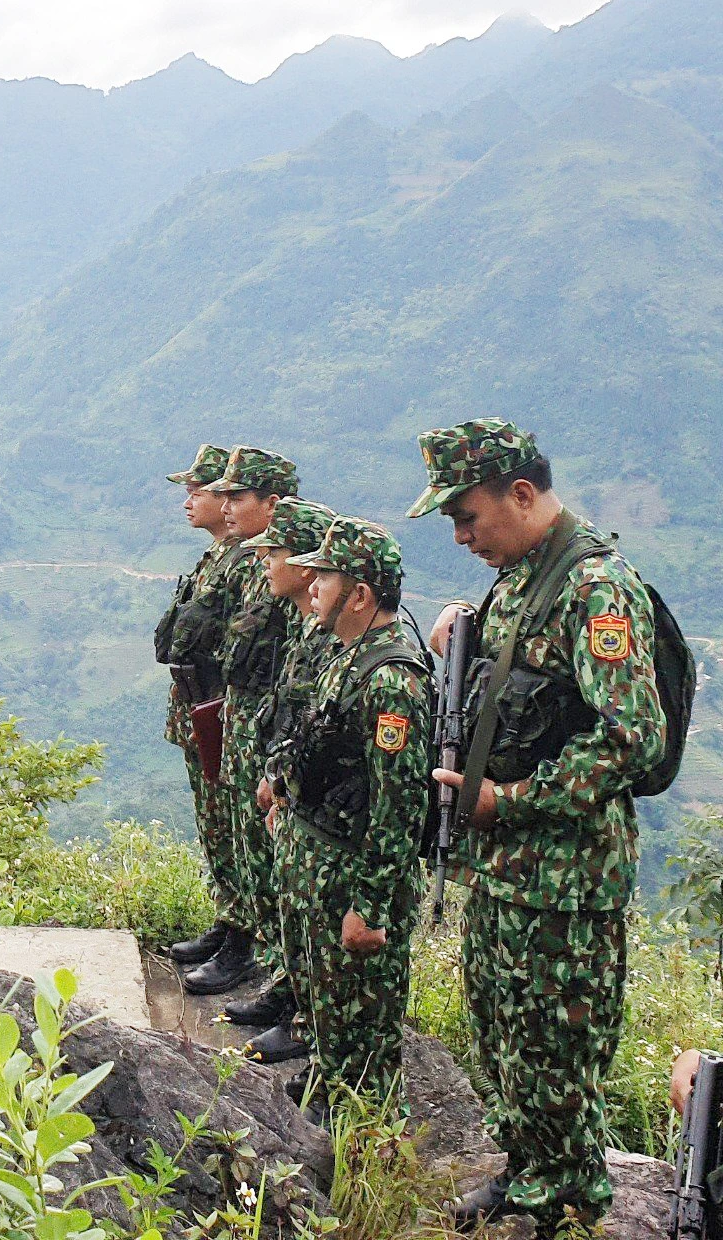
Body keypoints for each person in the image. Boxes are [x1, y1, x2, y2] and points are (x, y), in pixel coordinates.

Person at [410, 417, 665, 1234]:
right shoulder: (522, 577)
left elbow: (632, 736)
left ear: (521, 494)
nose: (461, 536)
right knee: (503, 1036)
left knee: (556, 1054)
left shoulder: (595, 588)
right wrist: (463, 623)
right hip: (507, 868)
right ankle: (528, 1174)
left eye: (468, 516)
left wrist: (510, 801)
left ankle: (567, 1201)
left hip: (565, 878)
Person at [276, 517, 429, 1113]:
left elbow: (399, 805)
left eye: (326, 576)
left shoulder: (390, 681)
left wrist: (370, 906)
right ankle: (328, 1085)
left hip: (350, 876)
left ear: (360, 594)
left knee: (363, 1029)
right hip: (319, 864)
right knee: (327, 1009)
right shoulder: (345, 657)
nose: (312, 585)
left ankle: (365, 1130)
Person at [185, 445, 299, 995]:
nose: (224, 505)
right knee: (236, 833)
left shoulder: (288, 569)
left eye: (237, 496)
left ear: (271, 503)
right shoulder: (250, 563)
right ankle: (237, 931)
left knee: (261, 842)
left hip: (265, 725)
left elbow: (278, 660)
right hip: (238, 715)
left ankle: (260, 956)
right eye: (222, 495)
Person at [232, 496, 338, 1063]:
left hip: (321, 810)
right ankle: (290, 994)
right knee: (288, 901)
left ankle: (304, 1017)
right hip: (291, 792)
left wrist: (283, 784)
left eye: (274, 553)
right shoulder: (305, 628)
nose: (265, 563)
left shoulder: (332, 637)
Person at [157, 445, 248, 968]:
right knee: (213, 823)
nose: (189, 500)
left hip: (220, 711)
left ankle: (243, 938)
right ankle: (228, 918)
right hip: (197, 706)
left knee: (231, 824)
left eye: (200, 491)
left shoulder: (244, 562)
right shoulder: (216, 557)